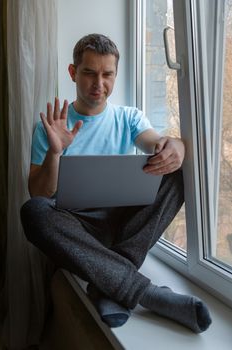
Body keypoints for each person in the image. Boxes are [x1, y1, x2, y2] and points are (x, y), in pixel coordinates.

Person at [21, 33, 212, 332]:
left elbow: (156, 143)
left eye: (107, 74)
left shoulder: (129, 118)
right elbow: (38, 192)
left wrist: (176, 145)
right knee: (33, 211)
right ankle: (145, 293)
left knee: (176, 170)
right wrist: (56, 152)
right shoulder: (51, 126)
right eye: (89, 73)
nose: (99, 84)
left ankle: (107, 283)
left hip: (123, 225)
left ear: (115, 74)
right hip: (77, 228)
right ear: (73, 73)